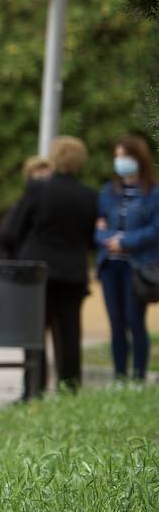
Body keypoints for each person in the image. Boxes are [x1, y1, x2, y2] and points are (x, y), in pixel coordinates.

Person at [0, 137, 97, 392]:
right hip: (73, 274)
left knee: (34, 332)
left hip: (37, 273)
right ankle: (70, 387)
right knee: (70, 333)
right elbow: (91, 239)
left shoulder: (38, 189)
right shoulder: (89, 196)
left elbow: (15, 229)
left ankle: (33, 388)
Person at [96, 134, 159, 381]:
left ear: (138, 158)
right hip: (110, 265)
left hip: (137, 267)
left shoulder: (153, 194)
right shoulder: (109, 192)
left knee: (135, 322)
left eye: (125, 156)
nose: (120, 162)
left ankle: (138, 375)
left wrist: (125, 241)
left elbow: (155, 230)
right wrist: (108, 239)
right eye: (117, 156)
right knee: (116, 323)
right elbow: (98, 227)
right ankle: (120, 376)